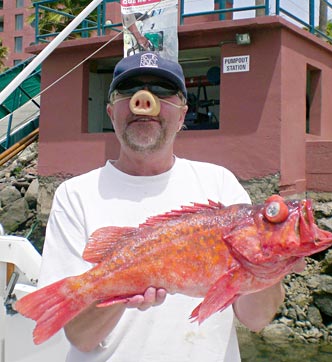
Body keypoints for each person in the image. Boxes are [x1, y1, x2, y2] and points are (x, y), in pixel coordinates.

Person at [38, 51, 292, 362]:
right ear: (111, 111)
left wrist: (268, 261)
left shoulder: (220, 185)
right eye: (129, 90)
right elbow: (81, 338)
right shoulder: (74, 195)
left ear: (183, 114)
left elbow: (256, 319)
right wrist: (124, 287)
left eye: (162, 90)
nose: (144, 100)